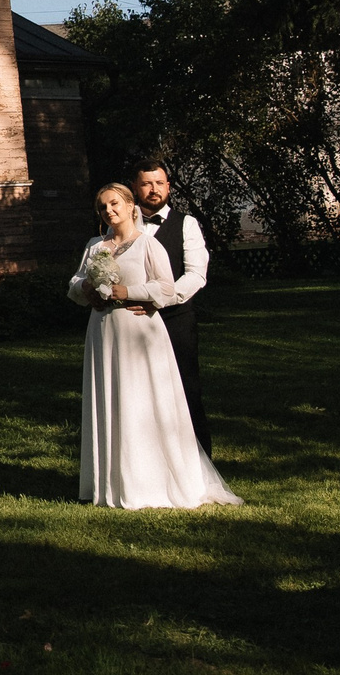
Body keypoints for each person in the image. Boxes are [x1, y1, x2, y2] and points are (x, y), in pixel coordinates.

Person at [69, 181, 240, 509]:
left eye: (114, 203)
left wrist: (129, 292)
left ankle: (148, 481)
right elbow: (74, 283)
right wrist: (85, 289)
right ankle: (111, 482)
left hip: (140, 332)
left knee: (141, 401)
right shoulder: (95, 246)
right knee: (111, 399)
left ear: (129, 205)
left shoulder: (148, 245)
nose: (109, 210)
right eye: (103, 207)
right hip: (103, 331)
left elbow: (165, 287)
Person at [131, 157, 212, 455]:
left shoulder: (186, 224)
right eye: (146, 184)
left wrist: (158, 299)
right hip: (133, 321)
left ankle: (200, 460)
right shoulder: (121, 224)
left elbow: (196, 275)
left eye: (159, 183)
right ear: (135, 187)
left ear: (169, 187)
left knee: (186, 390)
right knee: (139, 392)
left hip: (175, 319)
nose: (153, 189)